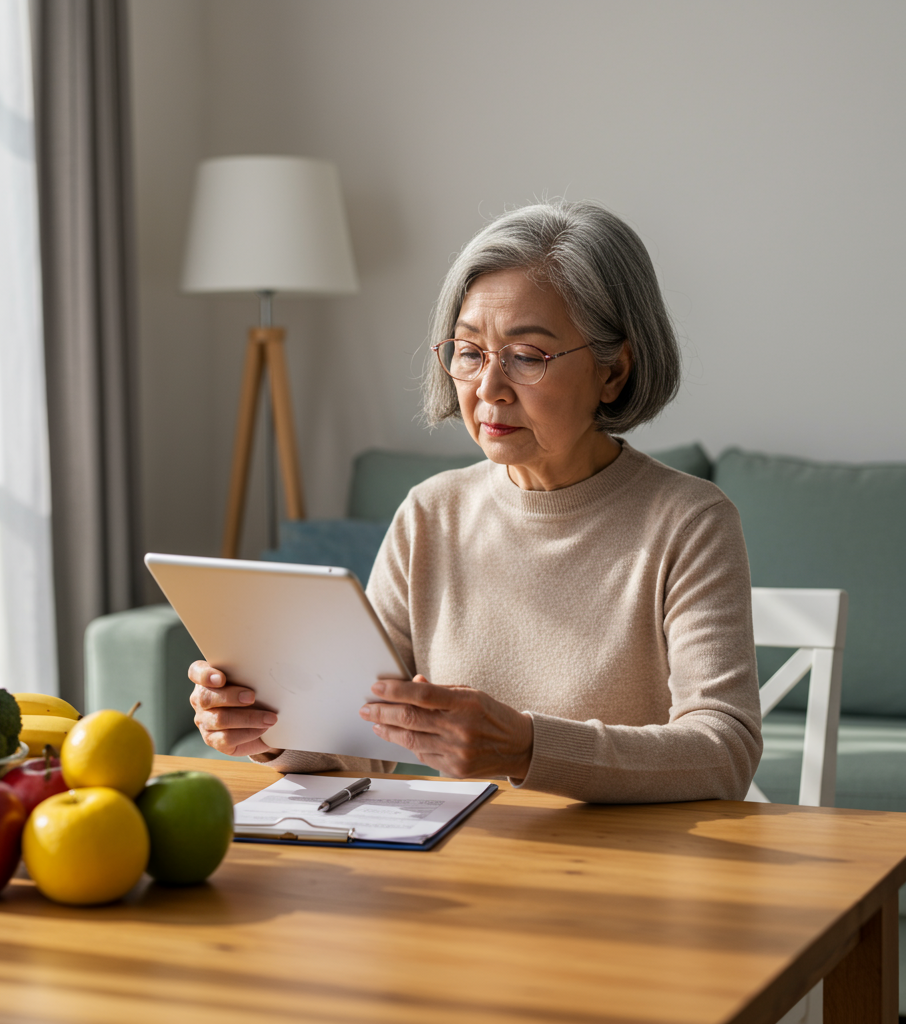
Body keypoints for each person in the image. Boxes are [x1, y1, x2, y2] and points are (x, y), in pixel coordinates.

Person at [188, 201, 762, 803]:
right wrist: (271, 732)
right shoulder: (431, 513)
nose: (488, 389)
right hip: (467, 863)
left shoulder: (691, 522)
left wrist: (526, 748)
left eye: (527, 356)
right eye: (469, 351)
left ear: (613, 371)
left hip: (628, 871)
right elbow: (369, 730)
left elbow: (723, 750)